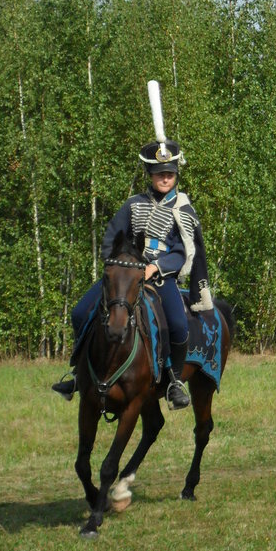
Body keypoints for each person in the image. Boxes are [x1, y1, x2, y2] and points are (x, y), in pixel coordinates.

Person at [52, 138, 213, 409]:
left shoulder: (183, 210)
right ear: (149, 174)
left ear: (176, 174)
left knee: (179, 325)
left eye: (170, 173)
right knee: (80, 312)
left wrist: (157, 266)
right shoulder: (133, 204)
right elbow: (111, 236)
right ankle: (78, 373)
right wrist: (116, 264)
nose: (165, 177)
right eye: (160, 173)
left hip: (160, 276)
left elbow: (182, 250)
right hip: (125, 274)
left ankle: (174, 381)